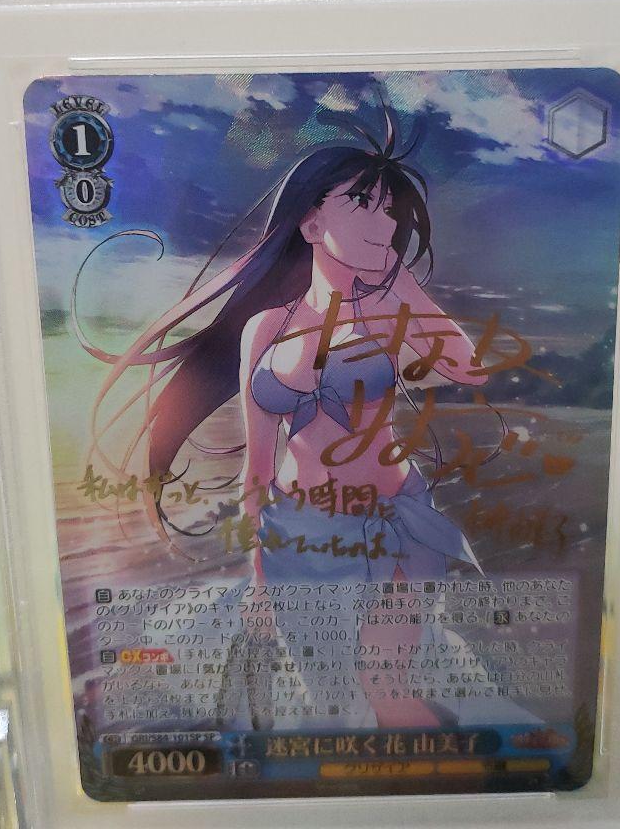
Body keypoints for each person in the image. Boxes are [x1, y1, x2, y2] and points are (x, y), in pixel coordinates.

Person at [79, 104, 510, 729]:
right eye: (362, 203)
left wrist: (402, 284)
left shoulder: (391, 309)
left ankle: (450, 778)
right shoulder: (265, 328)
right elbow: (259, 464)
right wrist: (258, 573)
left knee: (387, 687)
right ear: (310, 223)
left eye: (389, 209)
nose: (384, 220)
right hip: (297, 537)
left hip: (394, 522)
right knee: (327, 697)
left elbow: (466, 367)